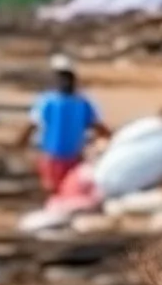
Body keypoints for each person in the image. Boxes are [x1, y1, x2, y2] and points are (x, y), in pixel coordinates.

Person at [19, 54, 110, 193]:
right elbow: (99, 127)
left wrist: (20, 144)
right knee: (65, 191)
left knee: (60, 191)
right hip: (59, 157)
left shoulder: (50, 101)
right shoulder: (80, 102)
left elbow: (32, 125)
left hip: (62, 157)